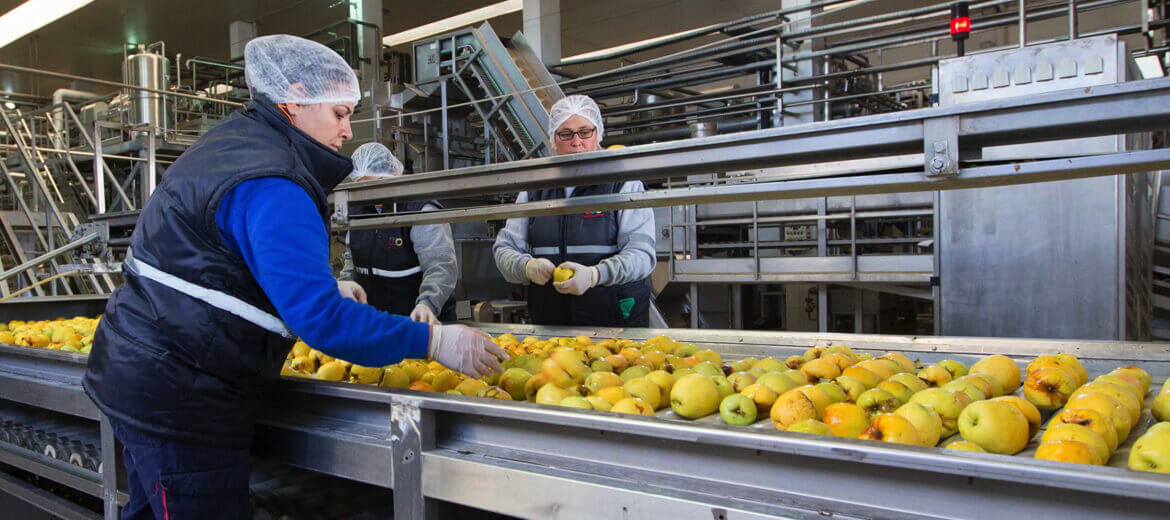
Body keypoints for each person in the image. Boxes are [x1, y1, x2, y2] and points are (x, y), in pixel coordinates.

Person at [82, 35, 506, 520]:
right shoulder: (275, 181)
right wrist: (433, 342)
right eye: (340, 114)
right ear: (295, 98)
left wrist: (313, 287)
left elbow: (221, 264)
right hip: (181, 396)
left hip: (145, 371)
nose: (349, 131)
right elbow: (324, 323)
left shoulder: (237, 141)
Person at [493, 94, 656, 327]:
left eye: (585, 132)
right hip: (552, 326)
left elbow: (642, 255)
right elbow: (504, 249)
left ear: (598, 134)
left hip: (615, 326)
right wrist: (525, 266)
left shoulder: (624, 184)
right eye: (566, 134)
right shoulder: (533, 192)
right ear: (553, 140)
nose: (576, 141)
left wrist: (595, 275)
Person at [338, 142, 457, 325]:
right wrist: (345, 288)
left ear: (393, 175)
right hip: (379, 326)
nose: (371, 196)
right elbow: (352, 260)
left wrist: (427, 305)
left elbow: (440, 267)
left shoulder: (420, 209)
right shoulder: (356, 211)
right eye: (363, 188)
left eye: (376, 185)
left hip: (422, 323)